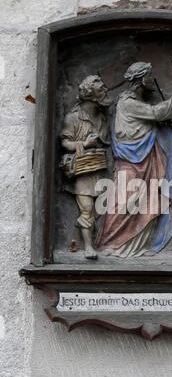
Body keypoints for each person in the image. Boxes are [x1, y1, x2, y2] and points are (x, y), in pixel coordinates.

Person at [96, 62, 172, 257]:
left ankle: (139, 245)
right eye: (149, 76)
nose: (152, 80)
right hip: (131, 160)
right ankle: (111, 244)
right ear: (141, 80)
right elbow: (154, 114)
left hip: (147, 160)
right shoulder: (128, 102)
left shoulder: (135, 102)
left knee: (148, 200)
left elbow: (148, 121)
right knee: (123, 202)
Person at [60, 75, 111, 259]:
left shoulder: (101, 117)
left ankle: (81, 236)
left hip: (99, 168)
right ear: (91, 94)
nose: (106, 90)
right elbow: (65, 142)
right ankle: (89, 247)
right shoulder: (73, 117)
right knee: (87, 208)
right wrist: (86, 144)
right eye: (101, 88)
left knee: (101, 208)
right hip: (82, 170)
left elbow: (105, 141)